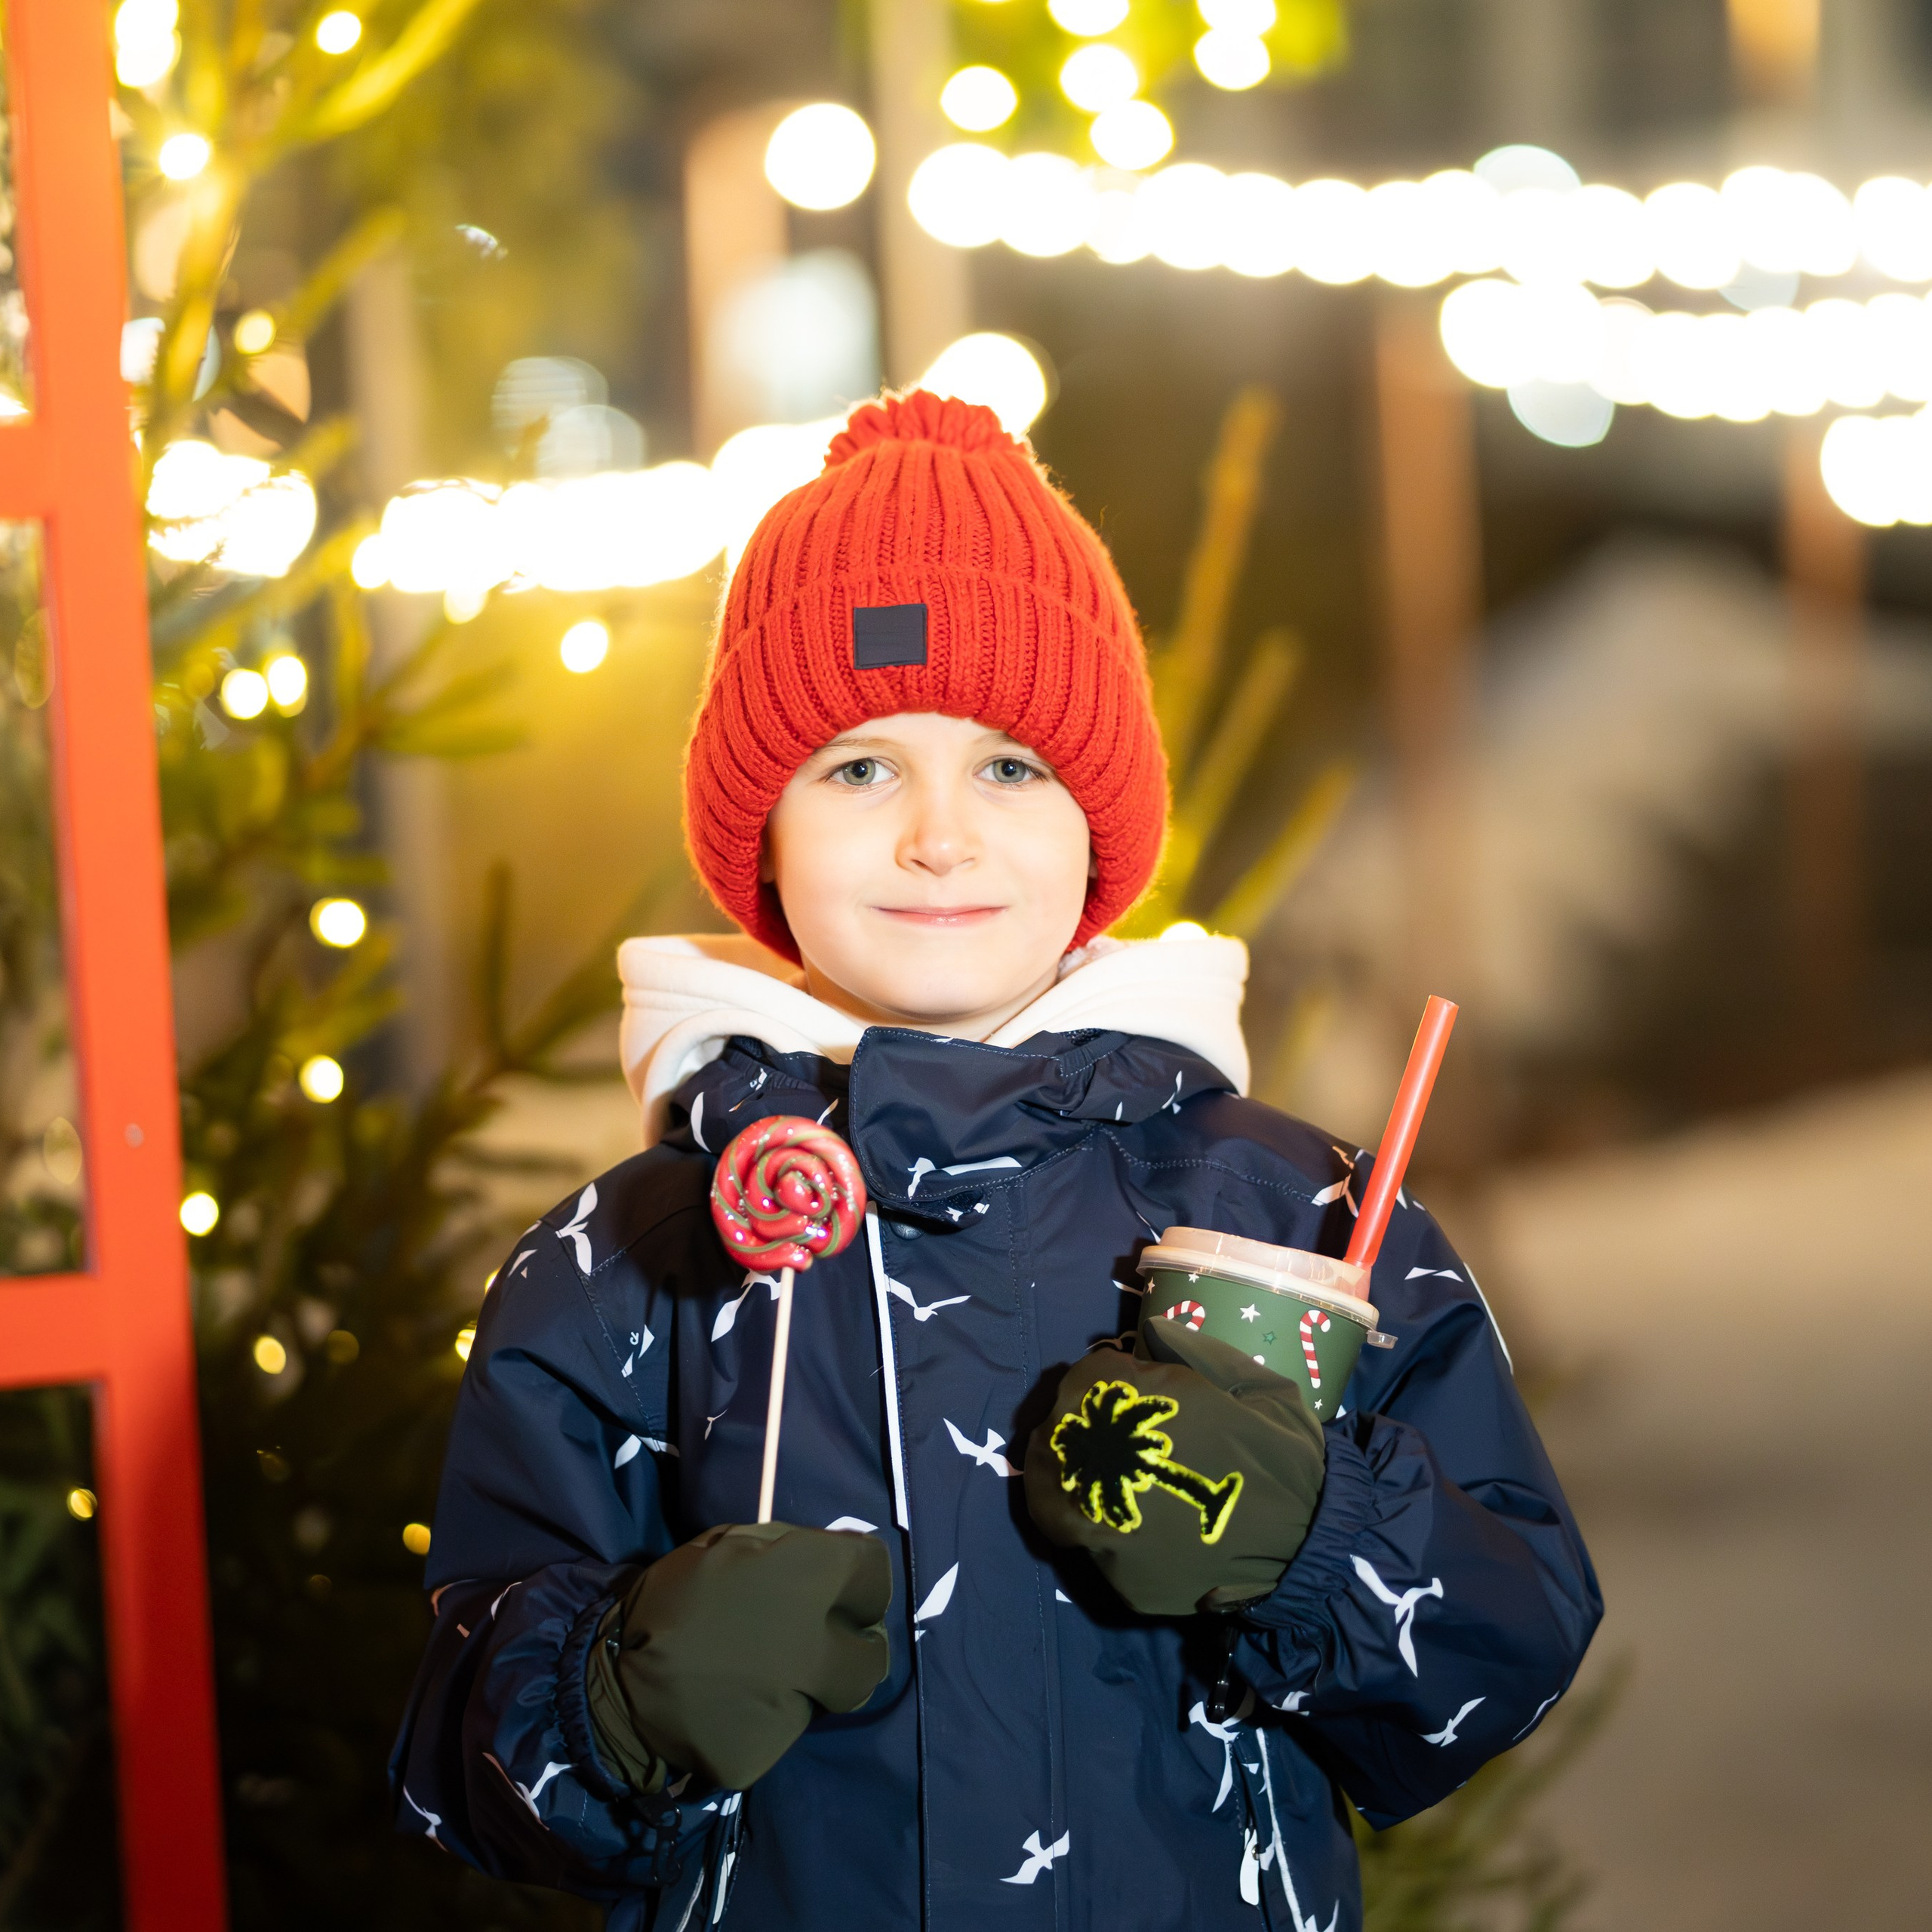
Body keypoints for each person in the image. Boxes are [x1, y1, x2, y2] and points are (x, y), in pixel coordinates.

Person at [390, 390, 1600, 1931]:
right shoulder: (630, 1254)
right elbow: (454, 1753)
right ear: (756, 830)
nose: (939, 837)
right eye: (856, 768)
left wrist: (1313, 1540)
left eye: (1011, 766)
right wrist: (610, 1696)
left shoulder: (1291, 1212)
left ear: (1099, 817)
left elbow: (1502, 1650)